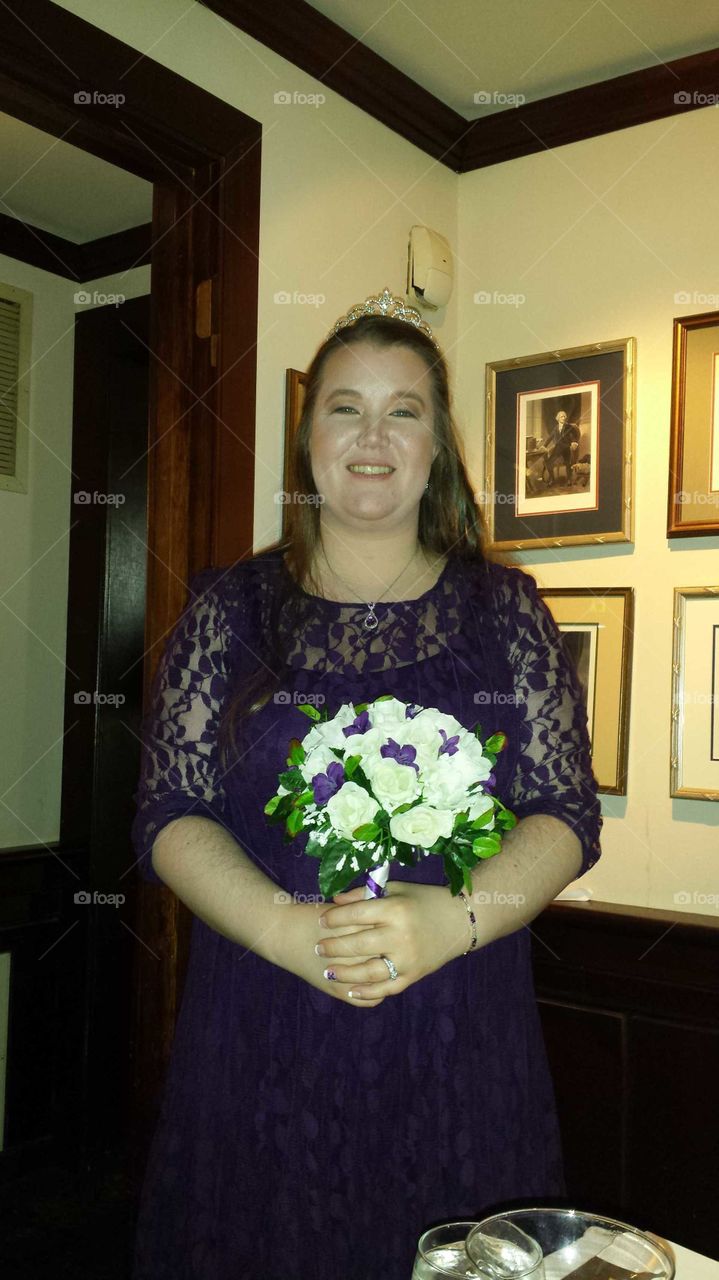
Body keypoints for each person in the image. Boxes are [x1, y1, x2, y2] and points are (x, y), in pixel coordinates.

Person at [130, 288, 602, 1280]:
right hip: (259, 1026)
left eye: (404, 409)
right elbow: (171, 810)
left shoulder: (504, 609)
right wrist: (282, 928)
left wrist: (455, 918)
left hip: (458, 1027)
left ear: (437, 448)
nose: (372, 434)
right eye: (345, 406)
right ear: (307, 438)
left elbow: (564, 810)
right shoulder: (228, 609)